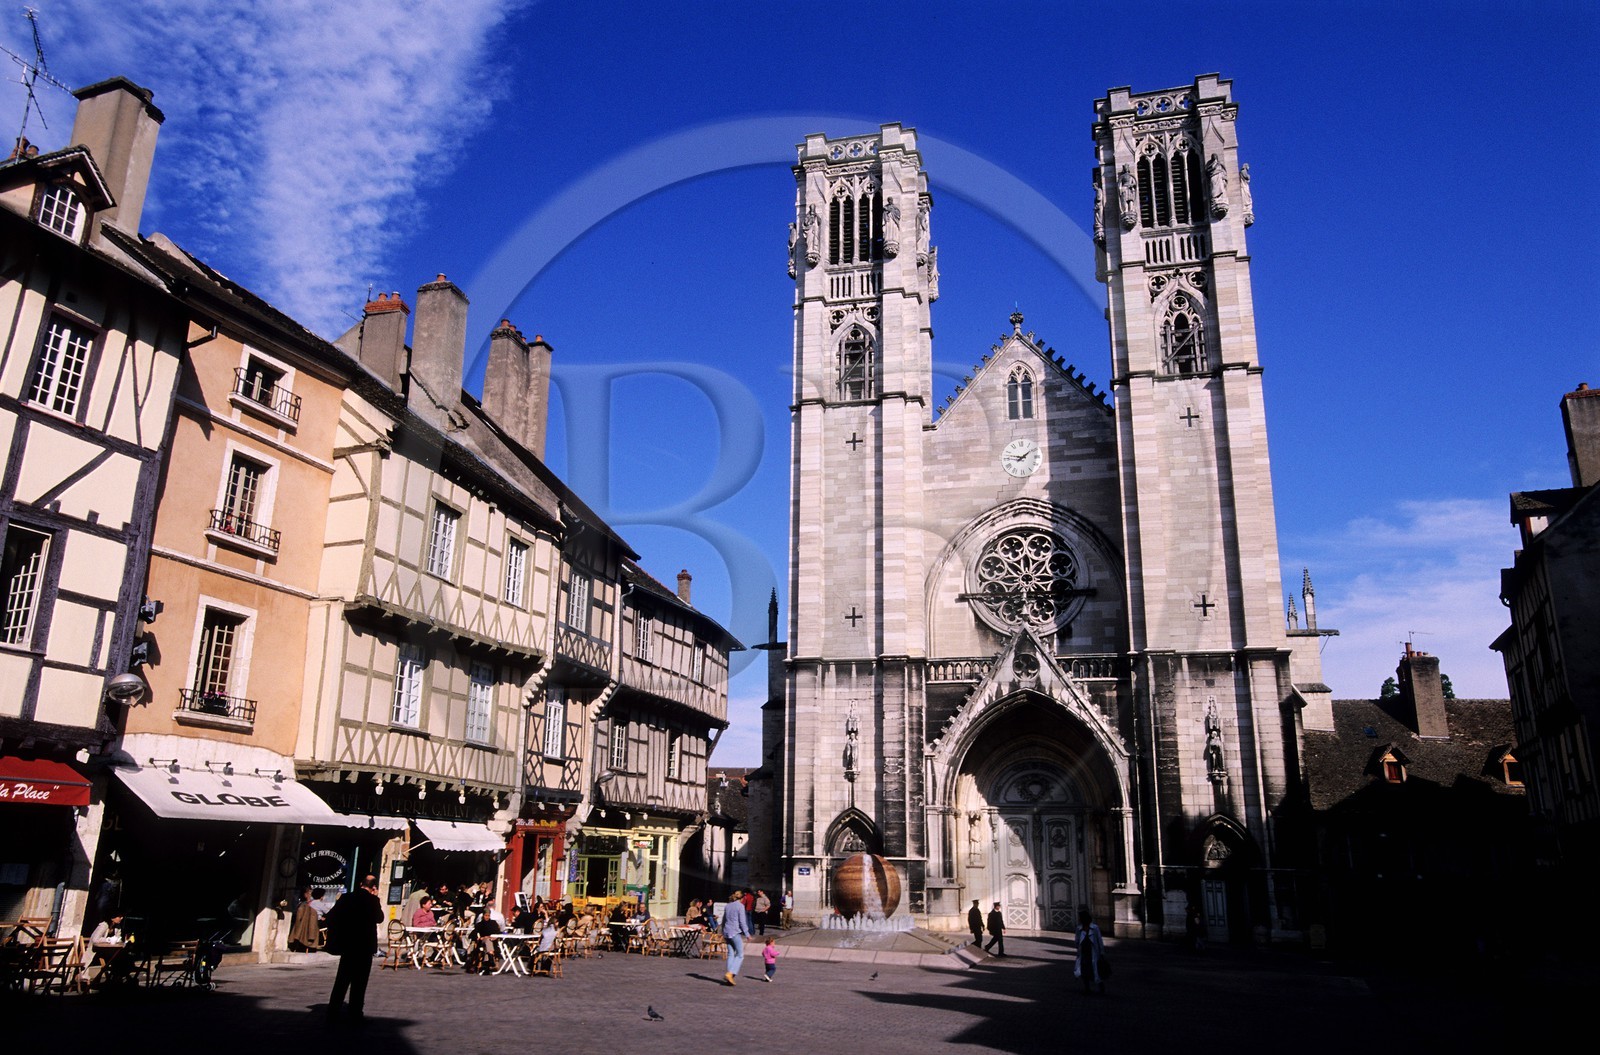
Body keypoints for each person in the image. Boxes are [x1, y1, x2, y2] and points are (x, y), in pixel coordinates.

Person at [324, 874, 383, 1021]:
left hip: (348, 945)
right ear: (373, 888)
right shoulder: (373, 900)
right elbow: (379, 918)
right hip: (364, 947)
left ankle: (333, 1011)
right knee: (360, 983)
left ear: (360, 884)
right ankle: (355, 1013)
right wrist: (375, 898)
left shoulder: (346, 898)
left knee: (342, 980)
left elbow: (331, 917)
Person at [722, 887, 753, 986]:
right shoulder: (740, 906)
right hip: (734, 932)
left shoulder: (727, 906)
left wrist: (722, 931)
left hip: (726, 931)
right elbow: (742, 922)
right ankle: (730, 973)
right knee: (740, 955)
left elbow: (723, 920)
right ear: (743, 898)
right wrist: (747, 934)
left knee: (731, 954)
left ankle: (729, 976)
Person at [1075, 908, 1104, 994]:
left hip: (1093, 952)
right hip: (1084, 952)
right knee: (1084, 970)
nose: (1079, 919)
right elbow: (1077, 940)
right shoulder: (1079, 928)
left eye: (1080, 918)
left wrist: (1102, 952)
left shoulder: (1094, 928)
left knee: (1096, 970)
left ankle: (1101, 986)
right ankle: (1087, 987)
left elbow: (1099, 940)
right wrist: (1078, 949)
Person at [289, 887, 323, 951]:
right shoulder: (304, 904)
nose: (310, 895)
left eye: (311, 893)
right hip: (303, 923)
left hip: (310, 924)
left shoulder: (312, 903)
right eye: (309, 893)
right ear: (305, 894)